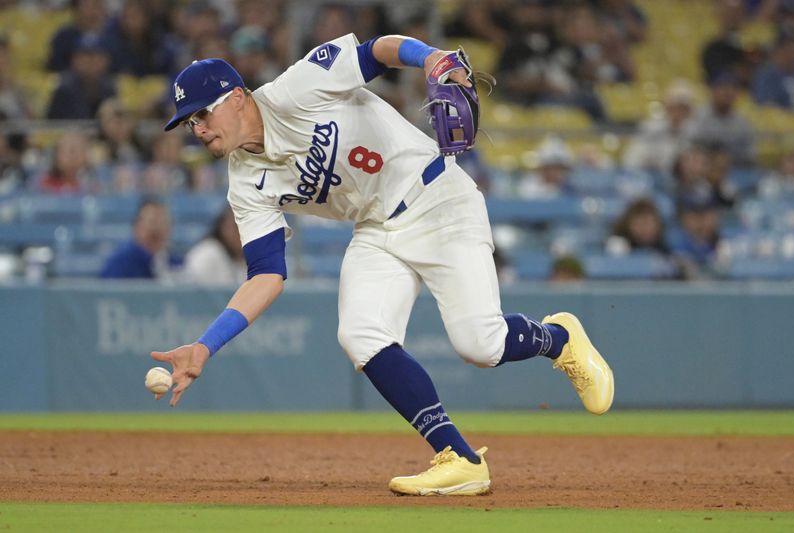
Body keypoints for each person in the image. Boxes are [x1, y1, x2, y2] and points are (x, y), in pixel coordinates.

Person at [152, 34, 614, 496]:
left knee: (481, 344)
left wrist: (431, 58)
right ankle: (460, 458)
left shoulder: (296, 90)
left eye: (201, 114)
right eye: (189, 122)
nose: (197, 129)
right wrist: (205, 346)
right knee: (361, 336)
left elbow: (377, 50)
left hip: (436, 198)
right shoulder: (245, 182)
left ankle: (560, 339)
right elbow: (268, 274)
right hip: (375, 228)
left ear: (235, 99)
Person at [100, 197, 174, 279]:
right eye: (151, 222)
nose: (157, 229)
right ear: (136, 227)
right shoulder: (119, 263)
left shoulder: (174, 263)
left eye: (162, 222)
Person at [183, 207, 246, 285]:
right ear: (222, 227)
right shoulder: (206, 254)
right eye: (236, 227)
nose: (242, 233)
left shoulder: (249, 257)